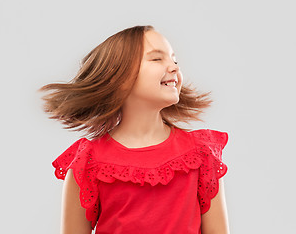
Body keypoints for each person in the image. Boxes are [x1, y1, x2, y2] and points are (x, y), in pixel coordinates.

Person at [39, 25, 230, 234]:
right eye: (157, 59)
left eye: (174, 60)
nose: (174, 67)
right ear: (119, 79)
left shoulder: (201, 154)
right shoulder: (87, 163)